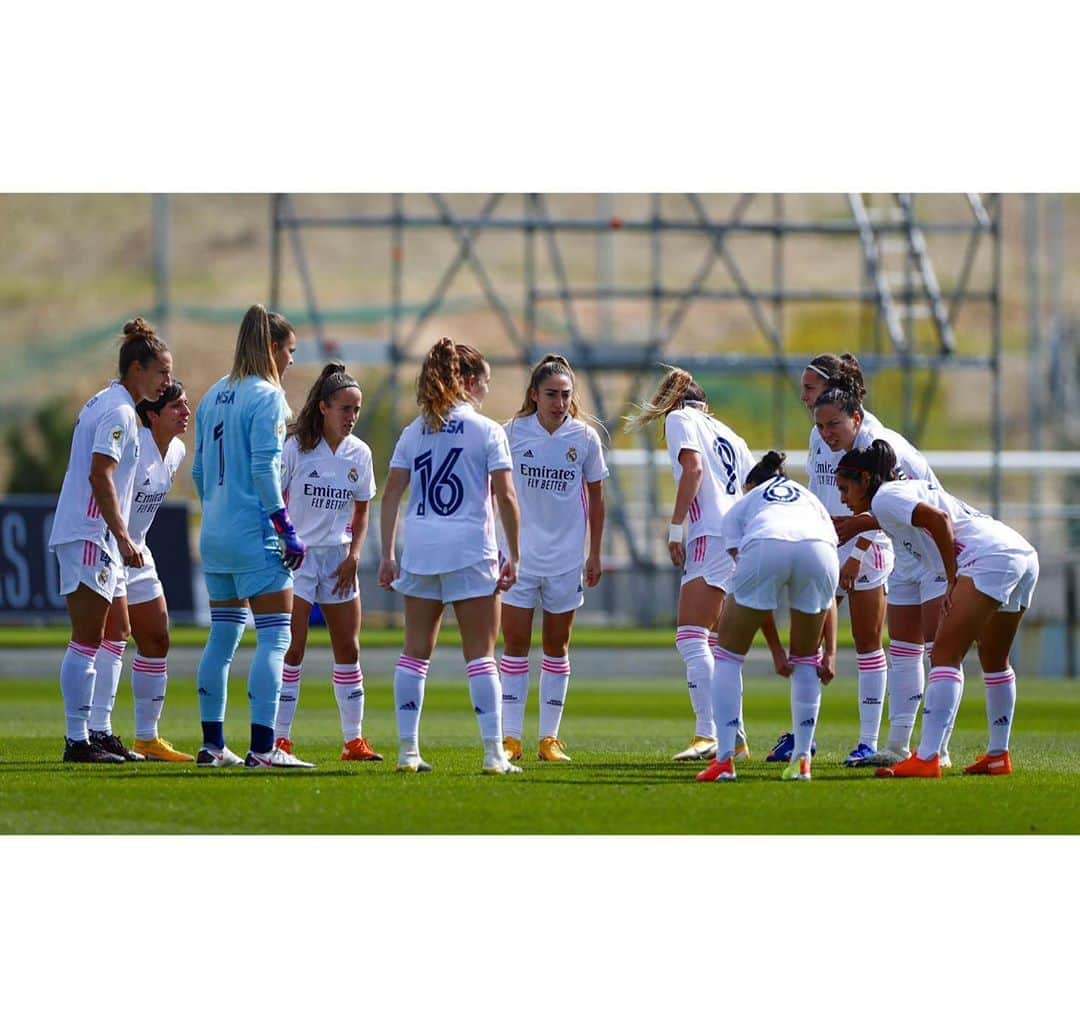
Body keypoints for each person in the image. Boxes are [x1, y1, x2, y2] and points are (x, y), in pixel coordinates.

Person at [835, 440, 1039, 778]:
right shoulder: (895, 494)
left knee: (944, 653)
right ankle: (998, 755)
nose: (843, 497)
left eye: (845, 488)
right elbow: (915, 519)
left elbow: (939, 520)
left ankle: (928, 757)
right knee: (994, 658)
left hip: (988, 558)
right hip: (1018, 551)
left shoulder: (886, 496)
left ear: (866, 479)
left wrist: (950, 577)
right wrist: (862, 523)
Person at [625, 367, 787, 763]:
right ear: (706, 404)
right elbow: (755, 487)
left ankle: (708, 733)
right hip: (739, 533)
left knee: (690, 636)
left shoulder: (681, 419)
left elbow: (693, 469)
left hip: (710, 533)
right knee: (719, 645)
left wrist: (677, 526)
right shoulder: (731, 433)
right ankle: (735, 735)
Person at [378, 336, 522, 775]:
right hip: (470, 551)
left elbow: (391, 494)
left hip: (420, 550)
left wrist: (387, 554)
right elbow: (507, 496)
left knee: (413, 654)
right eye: (486, 383)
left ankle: (407, 751)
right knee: (480, 655)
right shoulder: (486, 430)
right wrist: (515, 553)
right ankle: (494, 754)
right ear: (470, 381)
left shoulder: (414, 429)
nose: (487, 392)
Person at [191, 304, 313, 770]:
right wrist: (285, 528)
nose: (291, 361)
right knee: (276, 639)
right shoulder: (268, 397)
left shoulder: (213, 395)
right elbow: (265, 468)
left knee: (222, 640)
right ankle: (264, 748)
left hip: (216, 536)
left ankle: (212, 744)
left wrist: (219, 512)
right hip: (254, 536)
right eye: (290, 351)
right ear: (273, 348)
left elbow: (201, 471)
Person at [47, 317, 173, 762]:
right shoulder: (119, 410)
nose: (167, 382)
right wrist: (121, 536)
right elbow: (100, 473)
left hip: (100, 535)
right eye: (161, 373)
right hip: (90, 533)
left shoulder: (113, 403)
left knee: (117, 631)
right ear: (136, 369)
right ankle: (76, 739)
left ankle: (99, 731)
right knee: (87, 636)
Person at [696, 452, 839, 783]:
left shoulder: (743, 507)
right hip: (819, 549)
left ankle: (724, 761)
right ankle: (802, 760)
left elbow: (757, 600)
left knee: (728, 655)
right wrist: (829, 652)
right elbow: (828, 595)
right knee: (806, 659)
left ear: (750, 485)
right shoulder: (810, 500)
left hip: (766, 544)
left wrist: (775, 650)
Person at [498, 354, 608, 763]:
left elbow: (597, 499)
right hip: (518, 558)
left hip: (565, 559)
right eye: (551, 394)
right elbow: (493, 490)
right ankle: (510, 738)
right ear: (533, 394)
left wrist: (594, 552)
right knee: (514, 645)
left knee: (556, 647)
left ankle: (549, 739)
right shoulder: (510, 433)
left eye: (565, 395)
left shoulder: (584, 438)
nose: (559, 402)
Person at [272, 362, 381, 762]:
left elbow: (362, 510)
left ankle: (354, 740)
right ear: (323, 407)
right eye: (344, 408)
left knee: (348, 648)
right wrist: (285, 541)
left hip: (338, 559)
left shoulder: (360, 454)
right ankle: (280, 738)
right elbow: (275, 501)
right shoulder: (296, 448)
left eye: (356, 409)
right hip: (298, 559)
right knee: (293, 648)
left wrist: (354, 554)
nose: (351, 417)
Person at [91, 381, 195, 762]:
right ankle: (93, 733)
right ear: (152, 415)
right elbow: (105, 491)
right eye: (177, 408)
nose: (186, 413)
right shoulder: (135, 445)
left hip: (139, 551)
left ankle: (147, 739)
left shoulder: (178, 451)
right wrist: (119, 541)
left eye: (186, 406)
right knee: (112, 636)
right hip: (110, 546)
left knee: (157, 637)